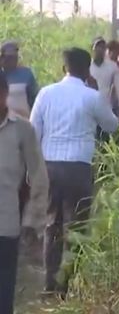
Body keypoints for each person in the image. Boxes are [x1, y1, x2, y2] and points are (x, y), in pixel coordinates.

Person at [29, 48, 119, 296]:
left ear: (64, 68)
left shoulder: (46, 94)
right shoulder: (92, 97)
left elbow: (33, 132)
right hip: (79, 167)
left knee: (52, 223)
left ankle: (49, 282)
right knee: (77, 226)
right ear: (87, 70)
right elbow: (112, 125)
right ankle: (67, 283)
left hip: (50, 166)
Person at [0, 72, 49, 314]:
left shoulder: (22, 130)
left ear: (5, 94)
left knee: (4, 290)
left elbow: (39, 176)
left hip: (6, 224)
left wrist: (32, 220)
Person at [0, 41, 39, 120]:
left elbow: (34, 98)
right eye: (8, 58)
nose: (12, 61)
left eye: (15, 57)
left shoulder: (25, 74)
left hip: (23, 120)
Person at [90, 37, 119, 116]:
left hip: (105, 108)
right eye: (98, 47)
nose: (100, 50)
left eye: (103, 47)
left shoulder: (112, 66)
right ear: (92, 49)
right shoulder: (86, 66)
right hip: (89, 107)